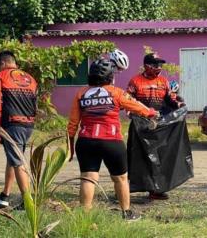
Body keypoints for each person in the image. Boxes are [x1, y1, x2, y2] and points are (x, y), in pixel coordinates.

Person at [67, 58, 158, 221]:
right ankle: (127, 214)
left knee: (88, 178)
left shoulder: (81, 93)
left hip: (86, 141)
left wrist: (70, 147)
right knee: (121, 178)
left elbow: (73, 123)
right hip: (111, 141)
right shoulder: (116, 92)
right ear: (110, 76)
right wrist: (151, 113)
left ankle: (84, 218)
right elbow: (136, 105)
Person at [127, 53, 183, 200]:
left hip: (158, 125)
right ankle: (128, 188)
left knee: (158, 157)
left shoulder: (163, 81)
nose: (159, 68)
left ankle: (156, 190)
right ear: (147, 66)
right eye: (155, 64)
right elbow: (129, 101)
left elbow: (170, 100)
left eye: (160, 65)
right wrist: (131, 112)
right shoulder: (135, 81)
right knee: (137, 157)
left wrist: (179, 105)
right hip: (140, 127)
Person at [0, 51, 37, 208]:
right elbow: (35, 104)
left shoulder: (1, 77)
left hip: (12, 125)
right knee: (13, 159)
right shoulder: (30, 79)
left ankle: (27, 202)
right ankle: (5, 194)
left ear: (3, 63)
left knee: (17, 162)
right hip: (28, 125)